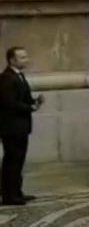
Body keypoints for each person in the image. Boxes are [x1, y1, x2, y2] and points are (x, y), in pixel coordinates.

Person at [0, 47, 43, 205]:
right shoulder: (6, 78)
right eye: (22, 57)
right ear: (12, 60)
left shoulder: (19, 76)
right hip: (11, 127)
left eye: (26, 56)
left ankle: (17, 192)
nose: (26, 59)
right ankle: (9, 196)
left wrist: (34, 101)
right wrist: (28, 107)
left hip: (20, 126)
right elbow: (9, 102)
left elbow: (22, 98)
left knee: (18, 161)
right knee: (12, 161)